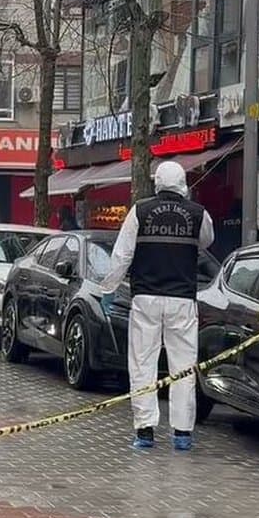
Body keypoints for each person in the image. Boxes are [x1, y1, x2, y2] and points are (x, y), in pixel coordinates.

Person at [98, 161, 214, 452]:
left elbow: (122, 255)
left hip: (146, 298)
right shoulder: (198, 214)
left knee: (142, 364)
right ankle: (182, 433)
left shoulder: (140, 210)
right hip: (182, 300)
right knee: (183, 367)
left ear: (157, 182)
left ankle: (145, 431)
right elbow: (207, 241)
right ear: (183, 182)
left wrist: (108, 289)